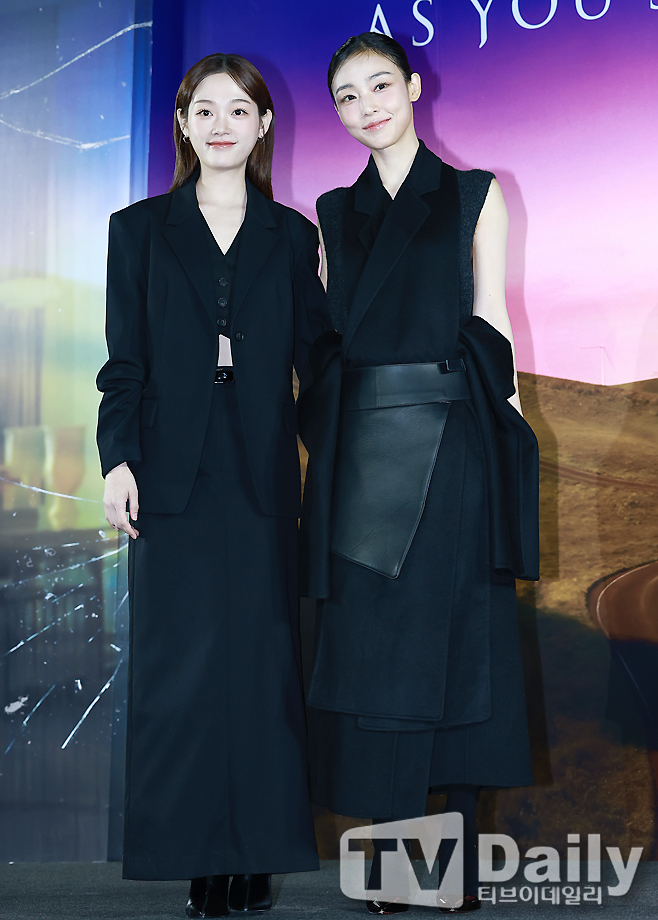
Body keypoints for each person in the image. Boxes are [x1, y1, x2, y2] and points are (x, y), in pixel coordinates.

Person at [298, 33, 540, 915]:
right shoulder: (332, 211)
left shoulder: (475, 192)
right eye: (346, 96)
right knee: (377, 658)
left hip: (457, 438)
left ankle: (455, 869)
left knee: (461, 641)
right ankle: (393, 868)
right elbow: (325, 336)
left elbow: (491, 316)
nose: (366, 106)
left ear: (411, 86)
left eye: (378, 86)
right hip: (363, 453)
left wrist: (507, 432)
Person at [97, 53, 327, 918]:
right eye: (204, 109)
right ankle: (198, 858)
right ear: (184, 125)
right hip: (169, 468)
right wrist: (118, 459)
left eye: (239, 109)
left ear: (263, 124)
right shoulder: (137, 229)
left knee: (264, 666)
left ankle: (258, 853)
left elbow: (318, 362)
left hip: (261, 466)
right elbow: (123, 361)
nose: (221, 123)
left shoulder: (292, 235)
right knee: (180, 670)